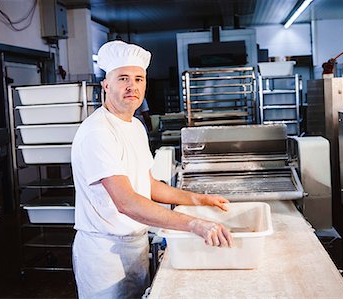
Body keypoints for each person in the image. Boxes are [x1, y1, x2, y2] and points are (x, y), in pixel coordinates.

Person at [71, 40, 233, 299]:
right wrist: (193, 224)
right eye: (123, 78)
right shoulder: (98, 132)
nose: (132, 86)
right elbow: (126, 201)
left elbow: (148, 186)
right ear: (106, 85)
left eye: (138, 79)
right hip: (104, 254)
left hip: (136, 243)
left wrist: (199, 199)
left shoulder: (134, 126)